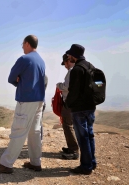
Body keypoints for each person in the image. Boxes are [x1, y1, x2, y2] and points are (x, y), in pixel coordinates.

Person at [0, 35, 45, 174]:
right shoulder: (41, 60)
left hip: (26, 100)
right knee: (35, 132)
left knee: (18, 132)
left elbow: (11, 78)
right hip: (39, 100)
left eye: (22, 44)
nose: (22, 47)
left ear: (27, 44)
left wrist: (18, 82)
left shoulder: (24, 59)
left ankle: (6, 164)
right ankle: (35, 162)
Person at [65, 44, 96, 175]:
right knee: (89, 136)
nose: (68, 58)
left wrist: (67, 104)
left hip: (79, 109)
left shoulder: (77, 69)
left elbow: (73, 91)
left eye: (69, 56)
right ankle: (92, 162)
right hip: (91, 107)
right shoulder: (91, 66)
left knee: (83, 138)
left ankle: (86, 166)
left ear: (73, 56)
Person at [56, 54, 79, 160]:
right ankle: (72, 148)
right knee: (70, 125)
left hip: (69, 103)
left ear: (67, 61)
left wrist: (58, 85)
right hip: (75, 103)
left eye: (65, 63)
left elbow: (66, 86)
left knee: (67, 125)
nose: (65, 66)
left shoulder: (71, 71)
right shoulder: (77, 70)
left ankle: (73, 150)